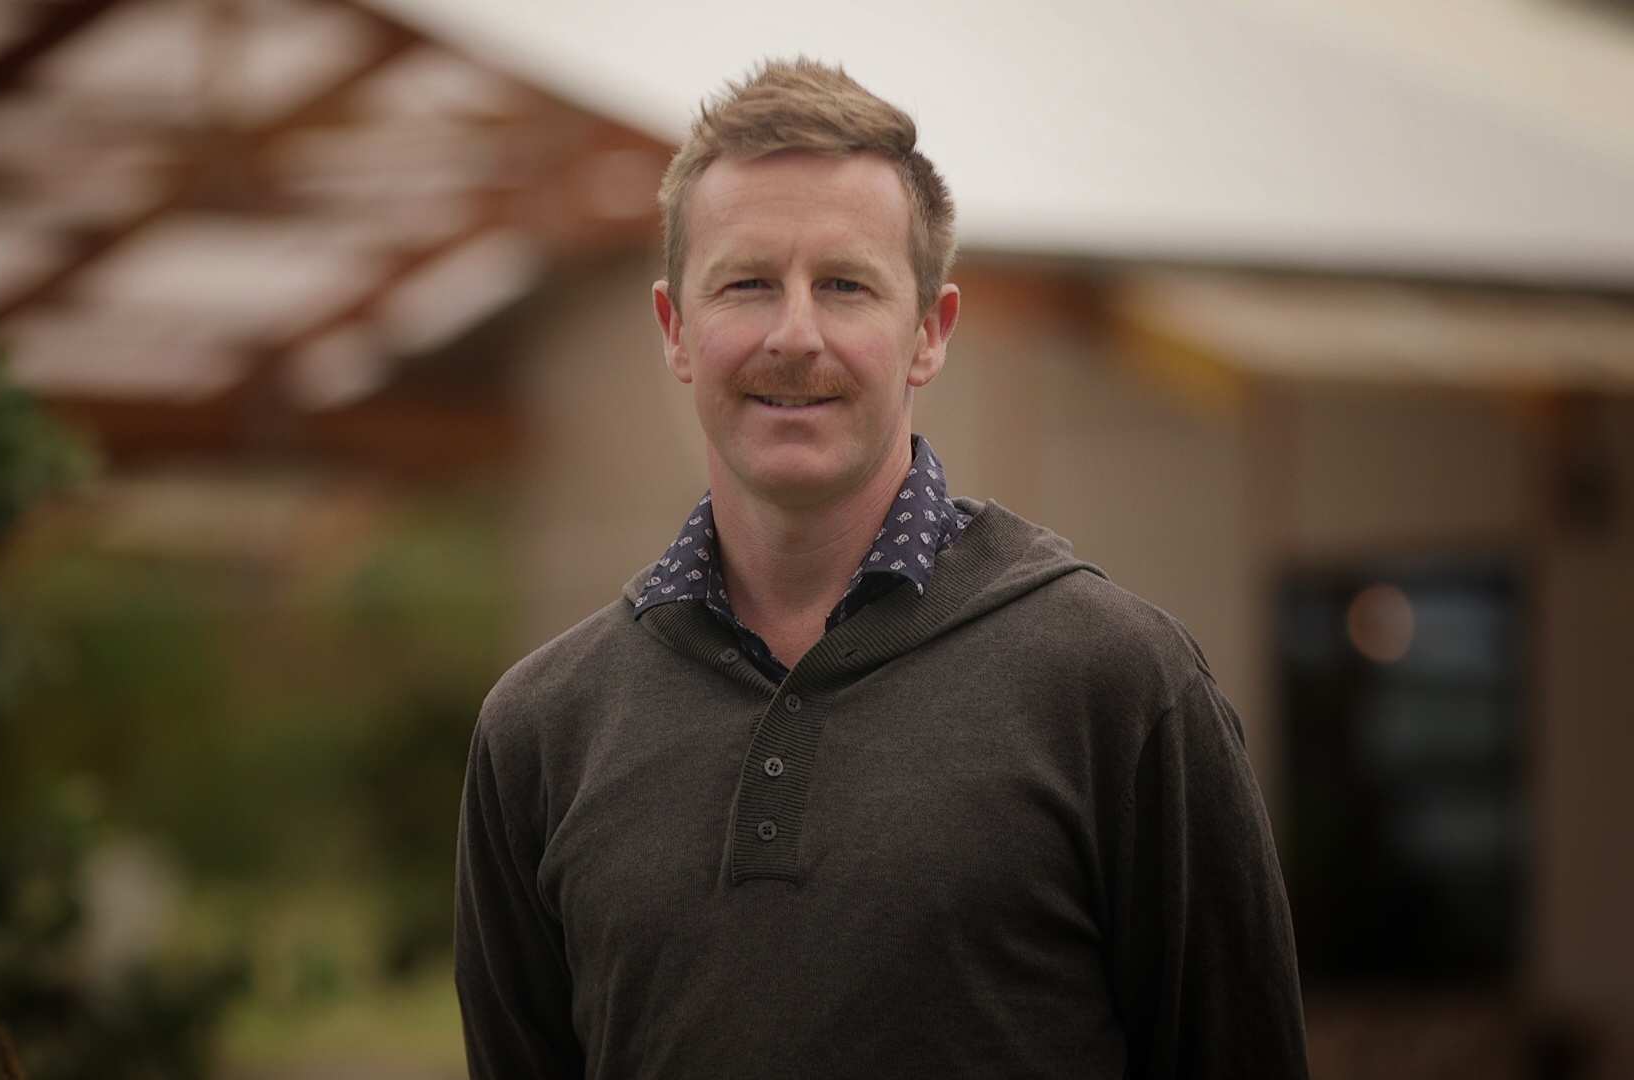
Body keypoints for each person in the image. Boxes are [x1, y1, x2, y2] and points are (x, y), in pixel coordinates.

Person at [454, 58, 1308, 1079]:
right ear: (676, 330)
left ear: (928, 333)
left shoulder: (1119, 686)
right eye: (748, 283)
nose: (795, 335)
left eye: (846, 285)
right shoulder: (541, 731)